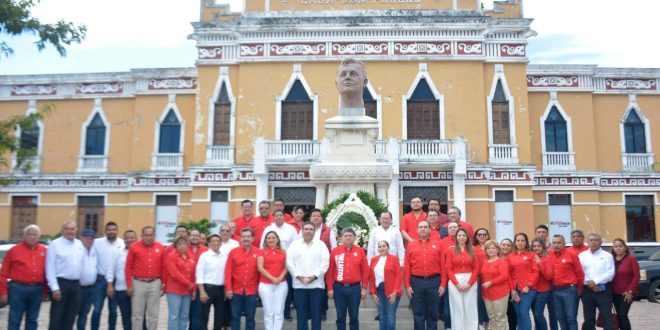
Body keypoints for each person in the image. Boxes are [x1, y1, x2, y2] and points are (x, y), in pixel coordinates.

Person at [0, 224, 47, 330]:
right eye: (29, 234)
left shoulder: (44, 251)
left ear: (38, 237)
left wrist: (44, 291)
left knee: (32, 320)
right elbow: (3, 273)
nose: (31, 237)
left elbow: (46, 272)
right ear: (24, 236)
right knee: (14, 320)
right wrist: (3, 292)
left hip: (36, 290)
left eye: (34, 235)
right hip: (18, 289)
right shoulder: (14, 250)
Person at [286, 222, 330, 330]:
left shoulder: (321, 245)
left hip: (316, 286)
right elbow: (289, 262)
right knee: (301, 316)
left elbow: (325, 263)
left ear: (314, 232)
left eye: (311, 229)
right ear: (302, 231)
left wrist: (314, 277)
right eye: (306, 229)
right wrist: (299, 276)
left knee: (316, 316)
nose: (308, 231)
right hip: (299, 286)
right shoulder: (294, 245)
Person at [403, 220, 444, 330]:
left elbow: (443, 266)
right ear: (417, 230)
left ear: (430, 229)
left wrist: (443, 284)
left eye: (425, 227)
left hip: (434, 281)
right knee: (418, 313)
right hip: (416, 282)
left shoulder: (438, 244)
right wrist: (407, 285)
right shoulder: (411, 246)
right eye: (420, 227)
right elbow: (407, 267)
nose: (423, 229)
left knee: (433, 313)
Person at [326, 228, 369, 330]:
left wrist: (364, 288)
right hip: (338, 288)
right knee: (340, 316)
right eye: (345, 236)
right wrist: (330, 289)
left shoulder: (360, 251)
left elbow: (365, 271)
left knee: (354, 316)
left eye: (350, 235)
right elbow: (330, 271)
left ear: (354, 238)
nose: (348, 238)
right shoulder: (335, 251)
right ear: (341, 238)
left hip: (355, 289)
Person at [260, 209, 298, 321]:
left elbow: (295, 246)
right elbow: (262, 247)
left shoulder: (291, 229)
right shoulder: (268, 229)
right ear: (273, 217)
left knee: (286, 290)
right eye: (276, 215)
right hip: (270, 265)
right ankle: (271, 313)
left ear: (284, 216)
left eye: (281, 215)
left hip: (287, 264)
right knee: (270, 292)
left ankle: (286, 312)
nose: (279, 217)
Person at [46, 220, 84, 330]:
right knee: (56, 317)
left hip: (75, 285)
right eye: (67, 229)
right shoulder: (55, 244)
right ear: (62, 231)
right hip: (61, 284)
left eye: (72, 229)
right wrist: (54, 288)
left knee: (70, 317)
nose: (70, 231)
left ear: (76, 231)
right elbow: (50, 267)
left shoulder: (79, 244)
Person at [125, 226, 165, 330]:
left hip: (155, 283)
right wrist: (129, 285)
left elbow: (164, 266)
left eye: (151, 235)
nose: (148, 237)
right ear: (142, 236)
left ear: (154, 235)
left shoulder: (160, 247)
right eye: (146, 235)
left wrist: (163, 283)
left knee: (153, 315)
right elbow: (128, 267)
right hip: (138, 283)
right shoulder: (134, 247)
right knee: (137, 315)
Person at [225, 228, 261, 330]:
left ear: (253, 238)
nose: (246, 238)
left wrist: (259, 289)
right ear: (240, 238)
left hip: (252, 291)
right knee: (235, 317)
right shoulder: (233, 252)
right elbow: (228, 271)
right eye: (244, 236)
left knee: (250, 317)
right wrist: (228, 288)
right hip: (236, 291)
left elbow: (260, 272)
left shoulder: (258, 252)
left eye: (248, 236)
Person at [443, 228, 479, 330]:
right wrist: (456, 283)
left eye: (463, 235)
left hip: (470, 279)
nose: (461, 237)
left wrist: (470, 283)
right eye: (459, 235)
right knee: (457, 307)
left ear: (467, 237)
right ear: (456, 237)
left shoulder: (473, 249)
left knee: (470, 306)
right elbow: (448, 268)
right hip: (455, 280)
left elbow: (476, 268)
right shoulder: (451, 249)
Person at [92, 221, 125, 330]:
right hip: (100, 280)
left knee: (113, 311)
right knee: (97, 309)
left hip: (115, 281)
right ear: (105, 231)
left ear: (117, 231)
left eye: (114, 229)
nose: (111, 231)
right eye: (109, 229)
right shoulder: (97, 243)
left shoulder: (122, 243)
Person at [579, 232, 615, 330]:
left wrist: (595, 282)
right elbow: (579, 272)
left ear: (600, 243)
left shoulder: (608, 256)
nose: (593, 242)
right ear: (587, 242)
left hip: (603, 290)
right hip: (587, 290)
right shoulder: (582, 256)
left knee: (606, 317)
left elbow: (610, 273)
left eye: (596, 240)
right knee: (589, 318)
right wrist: (589, 283)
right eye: (591, 240)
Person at [549, 234, 583, 330]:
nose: (556, 245)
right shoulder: (550, 255)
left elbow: (579, 273)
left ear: (564, 244)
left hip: (569, 290)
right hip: (555, 291)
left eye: (559, 243)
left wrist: (579, 290)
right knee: (560, 317)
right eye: (554, 243)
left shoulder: (572, 255)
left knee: (571, 318)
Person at [197, 233, 230, 330]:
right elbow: (199, 274)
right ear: (209, 243)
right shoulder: (204, 256)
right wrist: (202, 291)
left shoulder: (224, 256)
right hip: (208, 289)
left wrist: (225, 289)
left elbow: (226, 274)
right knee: (204, 316)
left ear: (220, 243)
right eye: (213, 241)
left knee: (219, 316)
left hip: (220, 289)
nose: (216, 243)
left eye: (218, 241)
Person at [307, 208, 336, 321]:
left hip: (324, 266)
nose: (315, 217)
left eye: (318, 216)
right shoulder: (305, 230)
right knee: (309, 289)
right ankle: (310, 312)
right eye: (313, 216)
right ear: (310, 218)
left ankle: (323, 311)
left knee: (323, 290)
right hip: (308, 265)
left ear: (322, 218)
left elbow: (333, 249)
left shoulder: (328, 231)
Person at [257, 231, 288, 330]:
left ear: (277, 239)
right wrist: (272, 278)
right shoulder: (261, 251)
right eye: (269, 238)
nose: (271, 240)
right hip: (265, 285)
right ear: (265, 240)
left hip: (281, 284)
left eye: (273, 238)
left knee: (279, 311)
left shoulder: (283, 252)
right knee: (268, 312)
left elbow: (286, 267)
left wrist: (280, 277)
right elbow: (260, 267)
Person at [107, 229, 137, 330]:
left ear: (136, 239)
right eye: (127, 238)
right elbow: (111, 269)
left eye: (132, 237)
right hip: (121, 289)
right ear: (124, 239)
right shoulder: (118, 252)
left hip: (138, 289)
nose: (129, 239)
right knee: (126, 317)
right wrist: (110, 285)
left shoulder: (140, 252)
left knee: (139, 316)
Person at [369, 240, 402, 330]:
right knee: (382, 316)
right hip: (379, 290)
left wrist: (395, 292)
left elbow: (398, 276)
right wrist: (373, 293)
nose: (382, 248)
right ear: (378, 249)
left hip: (392, 290)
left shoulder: (394, 258)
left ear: (388, 248)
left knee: (390, 316)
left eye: (384, 246)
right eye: (380, 246)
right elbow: (371, 277)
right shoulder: (374, 260)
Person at [509, 232, 539, 330]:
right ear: (515, 242)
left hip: (528, 289)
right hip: (515, 289)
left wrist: (528, 285)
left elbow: (536, 272)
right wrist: (512, 289)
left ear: (526, 242)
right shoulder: (511, 256)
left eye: (523, 241)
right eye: (518, 240)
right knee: (518, 313)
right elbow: (508, 274)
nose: (520, 243)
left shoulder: (531, 255)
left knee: (523, 312)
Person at [166, 236, 196, 330]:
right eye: (180, 244)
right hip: (174, 290)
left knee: (184, 316)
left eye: (184, 244)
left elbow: (195, 273)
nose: (182, 246)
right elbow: (175, 273)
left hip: (187, 291)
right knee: (174, 315)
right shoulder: (171, 256)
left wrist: (194, 288)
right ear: (175, 245)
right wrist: (189, 284)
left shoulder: (191, 256)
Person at [610, 238, 640, 330]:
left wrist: (630, 291)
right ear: (613, 248)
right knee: (618, 316)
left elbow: (637, 276)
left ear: (625, 247)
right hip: (614, 292)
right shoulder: (611, 259)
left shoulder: (631, 259)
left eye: (620, 246)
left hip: (626, 293)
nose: (618, 248)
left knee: (623, 315)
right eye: (616, 246)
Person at [480, 240, 510, 330]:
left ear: (497, 250)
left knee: (500, 318)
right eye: (488, 248)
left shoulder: (501, 261)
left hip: (500, 293)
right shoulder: (485, 262)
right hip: (487, 294)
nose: (491, 250)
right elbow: (483, 278)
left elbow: (504, 276)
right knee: (492, 317)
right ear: (485, 250)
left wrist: (490, 283)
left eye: (493, 248)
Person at [77, 229, 100, 330]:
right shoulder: (77, 250)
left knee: (84, 314)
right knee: (72, 313)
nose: (89, 240)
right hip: (78, 288)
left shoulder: (95, 251)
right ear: (81, 238)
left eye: (91, 238)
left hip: (90, 288)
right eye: (87, 238)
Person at [187, 229, 208, 330]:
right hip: (186, 285)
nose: (194, 237)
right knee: (185, 314)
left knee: (197, 313)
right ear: (189, 237)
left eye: (197, 236)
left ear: (200, 238)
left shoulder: (205, 250)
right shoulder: (184, 249)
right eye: (192, 235)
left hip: (200, 285)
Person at [531, 238, 553, 330]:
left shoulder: (546, 258)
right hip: (531, 290)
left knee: (538, 313)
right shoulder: (529, 257)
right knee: (535, 315)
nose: (536, 248)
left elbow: (549, 276)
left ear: (543, 247)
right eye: (534, 246)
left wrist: (539, 263)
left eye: (539, 246)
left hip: (542, 291)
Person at [472, 228, 489, 329]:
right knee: (479, 301)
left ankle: (488, 322)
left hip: (490, 279)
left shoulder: (491, 246)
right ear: (476, 237)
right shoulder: (473, 248)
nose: (482, 236)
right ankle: (481, 322)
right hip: (478, 278)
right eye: (479, 234)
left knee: (489, 301)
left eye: (484, 234)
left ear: (487, 236)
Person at [500, 238, 517, 330]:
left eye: (508, 245)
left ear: (511, 247)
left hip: (511, 290)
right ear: (500, 246)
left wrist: (512, 289)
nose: (505, 247)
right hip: (498, 290)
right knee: (499, 315)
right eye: (503, 244)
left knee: (512, 315)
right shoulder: (494, 257)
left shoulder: (514, 258)